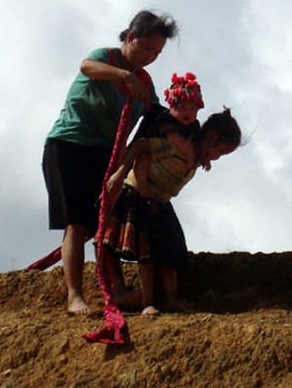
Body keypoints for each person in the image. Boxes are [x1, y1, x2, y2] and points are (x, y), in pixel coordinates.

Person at [42, 9, 179, 314]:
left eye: (157, 52)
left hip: (107, 155)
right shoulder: (105, 57)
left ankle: (116, 289)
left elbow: (156, 116)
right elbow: (86, 66)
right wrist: (121, 75)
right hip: (69, 145)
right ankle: (75, 296)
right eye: (147, 48)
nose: (150, 57)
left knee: (106, 224)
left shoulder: (144, 80)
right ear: (131, 37)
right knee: (77, 223)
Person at [103, 107, 243, 315]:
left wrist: (204, 156)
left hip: (161, 199)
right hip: (140, 194)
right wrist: (121, 172)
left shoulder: (196, 156)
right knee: (146, 251)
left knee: (171, 249)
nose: (218, 157)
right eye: (220, 152)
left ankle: (173, 298)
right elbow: (142, 147)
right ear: (211, 138)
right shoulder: (179, 146)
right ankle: (147, 302)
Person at [133, 72, 205, 199]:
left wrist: (205, 158)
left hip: (168, 158)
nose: (187, 112)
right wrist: (188, 152)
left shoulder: (194, 125)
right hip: (153, 146)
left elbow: (199, 142)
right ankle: (142, 184)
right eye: (181, 107)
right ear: (171, 107)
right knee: (144, 157)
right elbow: (172, 137)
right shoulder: (166, 118)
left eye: (192, 109)